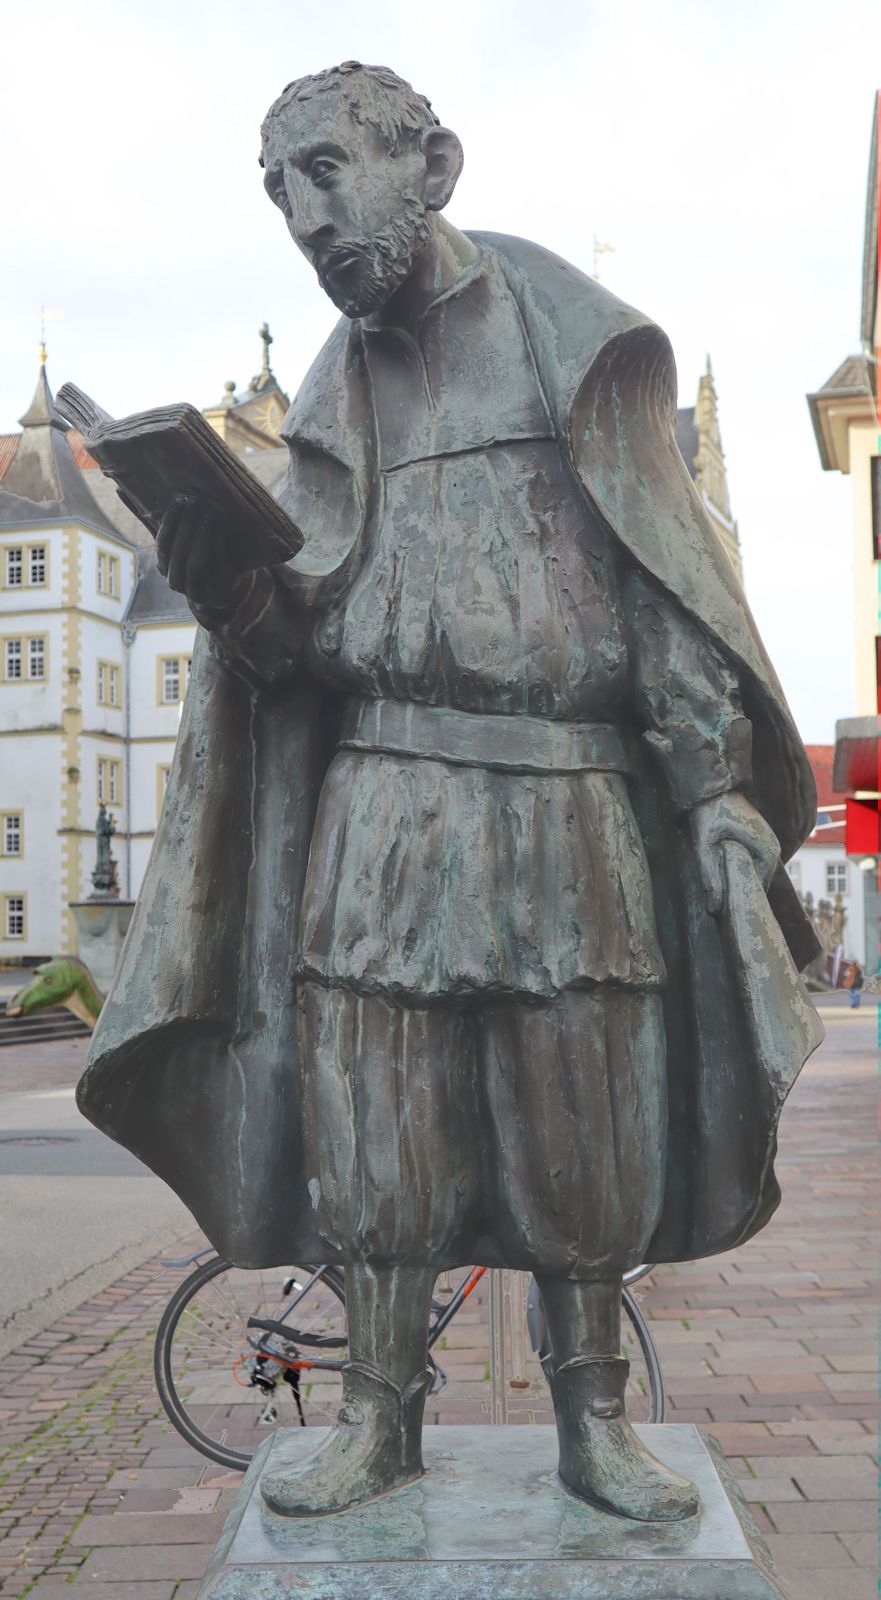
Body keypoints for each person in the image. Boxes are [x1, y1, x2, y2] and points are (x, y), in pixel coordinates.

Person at [77, 62, 822, 1523]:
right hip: (382, 806)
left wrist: (713, 788)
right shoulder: (333, 379)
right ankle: (375, 1420)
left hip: (566, 801)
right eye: (278, 188)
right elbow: (293, 653)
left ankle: (591, 1421)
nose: (303, 216)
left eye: (326, 171)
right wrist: (227, 581)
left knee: (583, 1112)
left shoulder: (565, 339)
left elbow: (659, 579)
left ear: (432, 163)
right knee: (378, 1118)